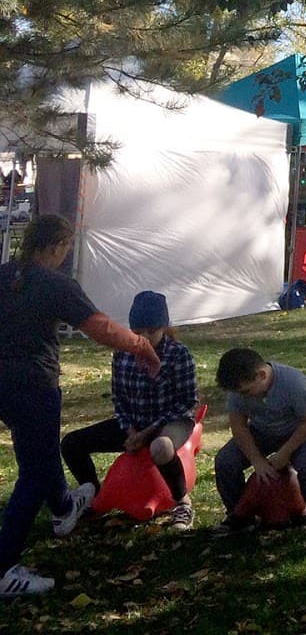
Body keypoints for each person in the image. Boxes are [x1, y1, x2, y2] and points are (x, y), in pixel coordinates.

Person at [0, 216, 162, 598]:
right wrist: (141, 346)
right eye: (66, 249)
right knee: (36, 472)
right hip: (33, 383)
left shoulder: (5, 274)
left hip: (4, 383)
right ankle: (5, 569)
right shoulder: (55, 284)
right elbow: (100, 327)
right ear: (57, 246)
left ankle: (62, 510)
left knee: (37, 450)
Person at [60, 291, 199, 531]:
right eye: (138, 332)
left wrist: (148, 432)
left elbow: (188, 402)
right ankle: (92, 493)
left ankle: (182, 503)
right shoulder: (123, 353)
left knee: (161, 447)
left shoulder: (178, 354)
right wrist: (129, 428)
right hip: (134, 422)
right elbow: (119, 398)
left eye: (151, 331)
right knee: (71, 443)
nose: (144, 337)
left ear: (163, 328)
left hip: (169, 421)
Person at [214, 348, 306, 539]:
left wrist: (285, 453)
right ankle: (240, 516)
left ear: (261, 375)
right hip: (263, 430)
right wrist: (256, 460)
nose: (243, 396)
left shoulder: (292, 382)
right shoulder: (239, 388)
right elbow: (238, 425)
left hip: (301, 429)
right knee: (225, 461)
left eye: (246, 391)